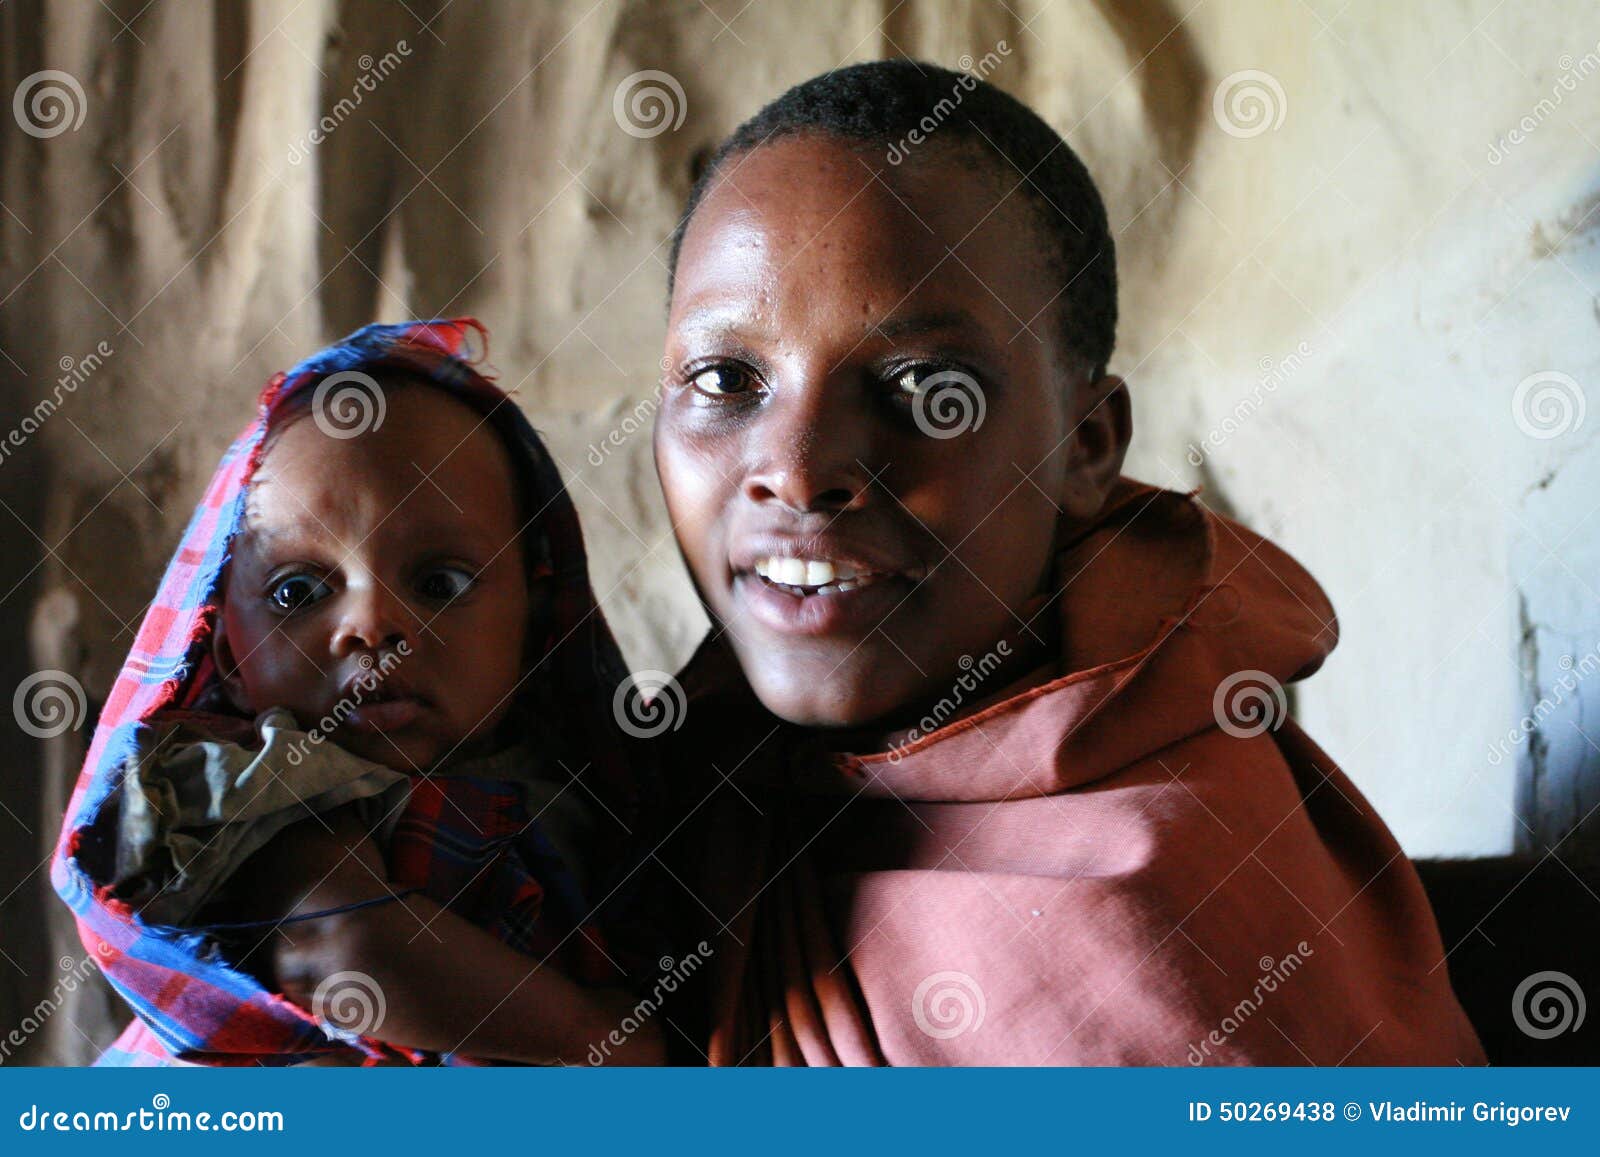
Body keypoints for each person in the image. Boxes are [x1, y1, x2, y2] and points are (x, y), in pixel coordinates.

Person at [652, 60, 1485, 1065]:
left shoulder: (1172, 941)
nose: (796, 470)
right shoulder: (696, 778)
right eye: (725, 377)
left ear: (1086, 445)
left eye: (923, 387)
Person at [53, 319, 664, 1066]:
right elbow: (340, 948)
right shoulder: (271, 784)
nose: (373, 624)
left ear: (536, 625)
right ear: (229, 657)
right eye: (299, 589)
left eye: (442, 582)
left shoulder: (579, 788)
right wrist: (604, 1038)